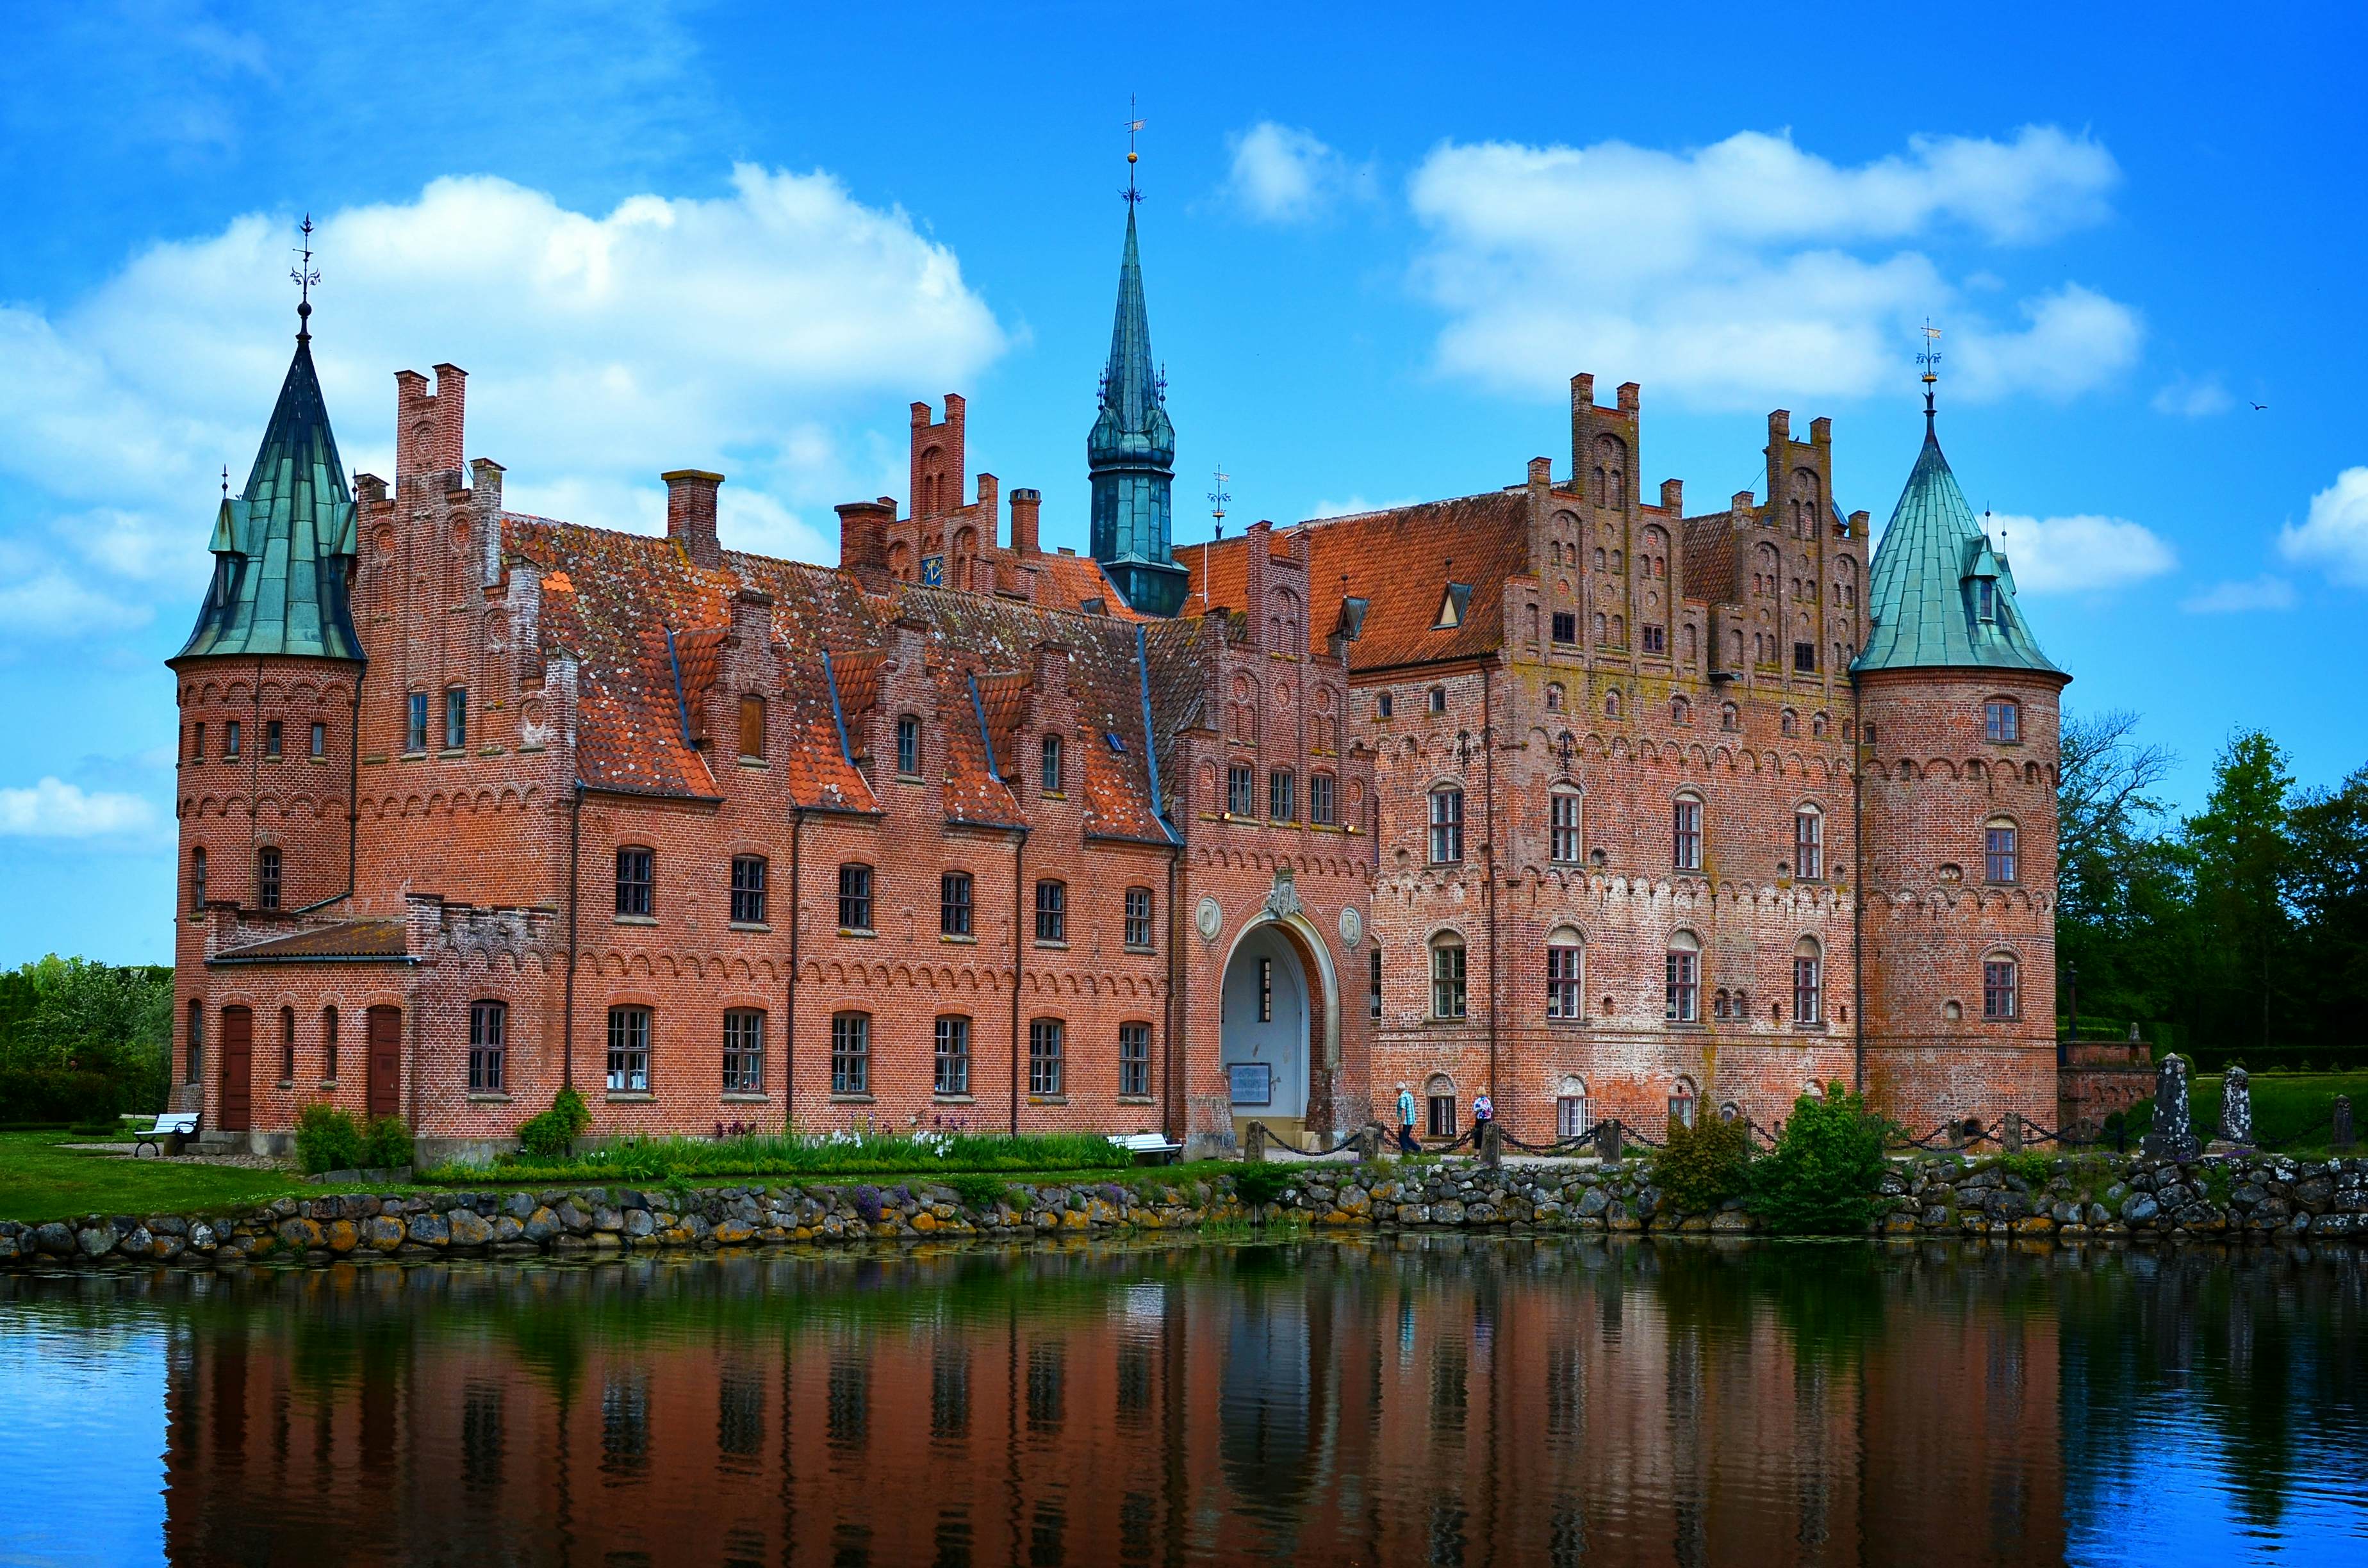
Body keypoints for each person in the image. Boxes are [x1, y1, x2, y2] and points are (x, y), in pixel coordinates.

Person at [1395, 1081, 1420, 1155]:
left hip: (1405, 1122)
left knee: (1402, 1139)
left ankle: (1408, 1153)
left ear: (1399, 1089)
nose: (1396, 1092)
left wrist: (1401, 1124)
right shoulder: (1409, 1096)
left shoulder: (1403, 1097)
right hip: (1411, 1121)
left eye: (1397, 1090)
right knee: (1406, 1137)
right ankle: (1417, 1149)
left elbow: (1403, 1110)